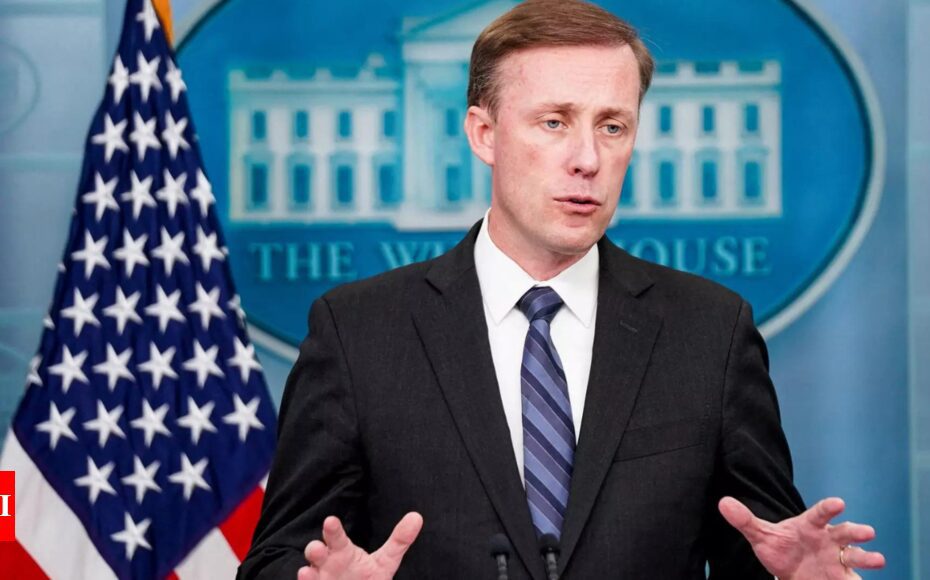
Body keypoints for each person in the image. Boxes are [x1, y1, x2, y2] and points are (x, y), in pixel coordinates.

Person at [238, 1, 886, 578]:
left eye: (612, 126)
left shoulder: (709, 333)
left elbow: (760, 547)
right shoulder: (360, 334)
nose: (587, 159)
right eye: (554, 122)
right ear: (483, 134)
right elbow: (276, 557)